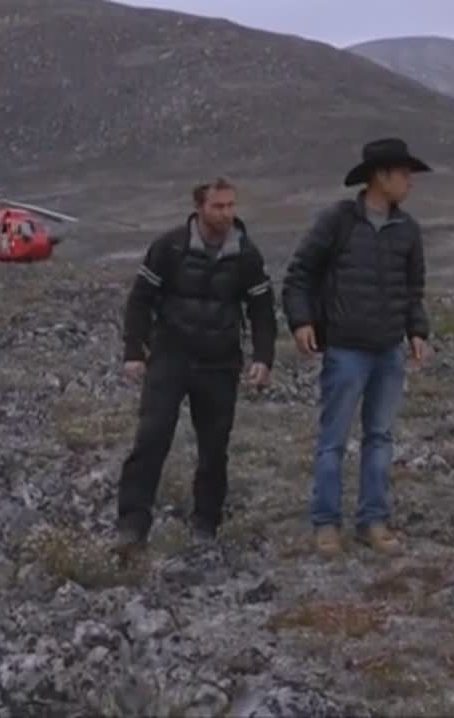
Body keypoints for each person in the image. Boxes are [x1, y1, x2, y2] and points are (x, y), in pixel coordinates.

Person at [281, 138, 433, 559]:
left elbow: (413, 289)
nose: (410, 182)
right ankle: (326, 524)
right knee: (333, 440)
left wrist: (416, 331)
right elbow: (300, 274)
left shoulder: (408, 230)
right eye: (404, 174)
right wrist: (301, 321)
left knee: (380, 437)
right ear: (380, 176)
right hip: (346, 350)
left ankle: (373, 520)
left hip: (388, 351)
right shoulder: (338, 221)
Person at [114, 177, 277, 551]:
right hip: (170, 357)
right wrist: (134, 351)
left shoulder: (246, 254)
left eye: (231, 205)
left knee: (214, 448)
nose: (227, 213)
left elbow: (262, 309)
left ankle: (206, 522)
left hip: (219, 363)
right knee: (151, 438)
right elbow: (140, 299)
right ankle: (132, 525)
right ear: (199, 207)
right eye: (218, 206)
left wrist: (263, 358)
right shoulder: (169, 247)